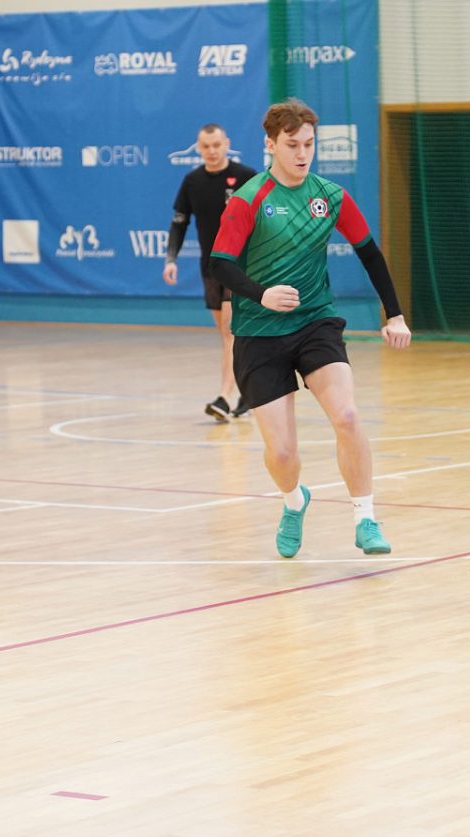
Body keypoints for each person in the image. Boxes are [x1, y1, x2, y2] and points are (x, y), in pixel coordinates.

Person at [208, 98, 412, 558]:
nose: (302, 153)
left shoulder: (330, 196)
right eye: (292, 145)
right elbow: (220, 264)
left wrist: (394, 314)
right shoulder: (249, 199)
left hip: (315, 322)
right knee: (282, 454)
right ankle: (294, 500)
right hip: (259, 333)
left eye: (309, 144)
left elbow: (370, 253)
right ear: (271, 145)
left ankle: (365, 518)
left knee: (348, 416)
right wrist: (261, 293)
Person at [164, 124, 261, 422]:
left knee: (231, 332)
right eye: (206, 146)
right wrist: (171, 259)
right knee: (229, 336)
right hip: (210, 268)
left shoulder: (246, 176)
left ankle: (224, 397)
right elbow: (179, 222)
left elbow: (263, 216)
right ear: (198, 148)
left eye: (217, 145)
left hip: (240, 266)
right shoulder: (192, 181)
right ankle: (248, 391)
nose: (212, 151)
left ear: (227, 144)